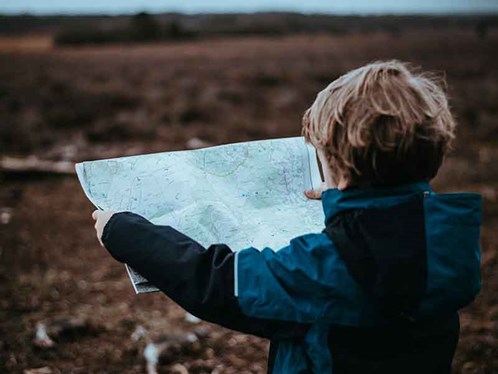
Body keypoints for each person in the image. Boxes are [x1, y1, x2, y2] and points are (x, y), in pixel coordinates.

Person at [92, 60, 482, 373]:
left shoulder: (325, 267)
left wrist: (124, 232)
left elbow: (218, 283)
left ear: (339, 167)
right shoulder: (449, 243)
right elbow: (388, 235)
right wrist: (344, 202)